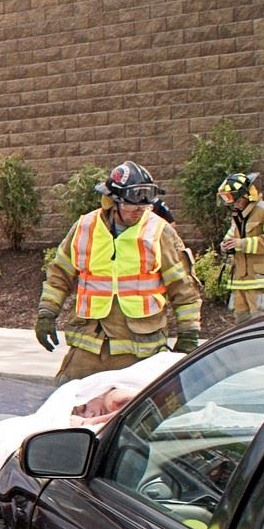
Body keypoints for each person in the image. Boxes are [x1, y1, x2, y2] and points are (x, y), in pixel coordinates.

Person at [35, 161, 203, 384]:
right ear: (112, 202)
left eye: (144, 206)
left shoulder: (159, 231)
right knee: (69, 401)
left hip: (139, 347)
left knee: (135, 409)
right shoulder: (85, 227)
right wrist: (47, 313)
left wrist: (188, 336)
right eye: (131, 205)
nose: (139, 210)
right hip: (90, 341)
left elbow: (183, 289)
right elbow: (59, 275)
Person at [215, 173, 264, 321]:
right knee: (242, 328)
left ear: (248, 195)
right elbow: (231, 236)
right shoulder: (238, 215)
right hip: (241, 282)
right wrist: (226, 245)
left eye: (237, 200)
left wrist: (242, 244)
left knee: (263, 326)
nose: (233, 204)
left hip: (262, 282)